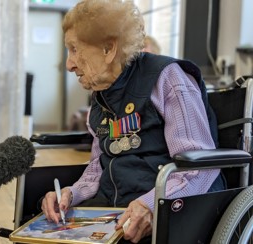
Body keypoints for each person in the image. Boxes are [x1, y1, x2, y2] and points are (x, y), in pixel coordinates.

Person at [40, 0, 225, 243]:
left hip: (172, 212)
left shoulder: (168, 79)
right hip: (117, 211)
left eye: (74, 49)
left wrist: (151, 205)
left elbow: (198, 169)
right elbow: (98, 167)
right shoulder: (100, 97)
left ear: (109, 49)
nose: (69, 64)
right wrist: (70, 195)